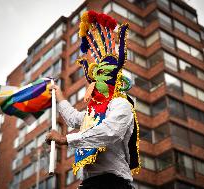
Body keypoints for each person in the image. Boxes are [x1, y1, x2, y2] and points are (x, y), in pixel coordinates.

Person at [45, 10, 140, 189]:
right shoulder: (92, 113)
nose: (94, 84)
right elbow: (73, 118)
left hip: (113, 183)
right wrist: (58, 95)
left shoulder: (121, 104)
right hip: (88, 183)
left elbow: (111, 132)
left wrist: (66, 139)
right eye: (93, 78)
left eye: (100, 77)